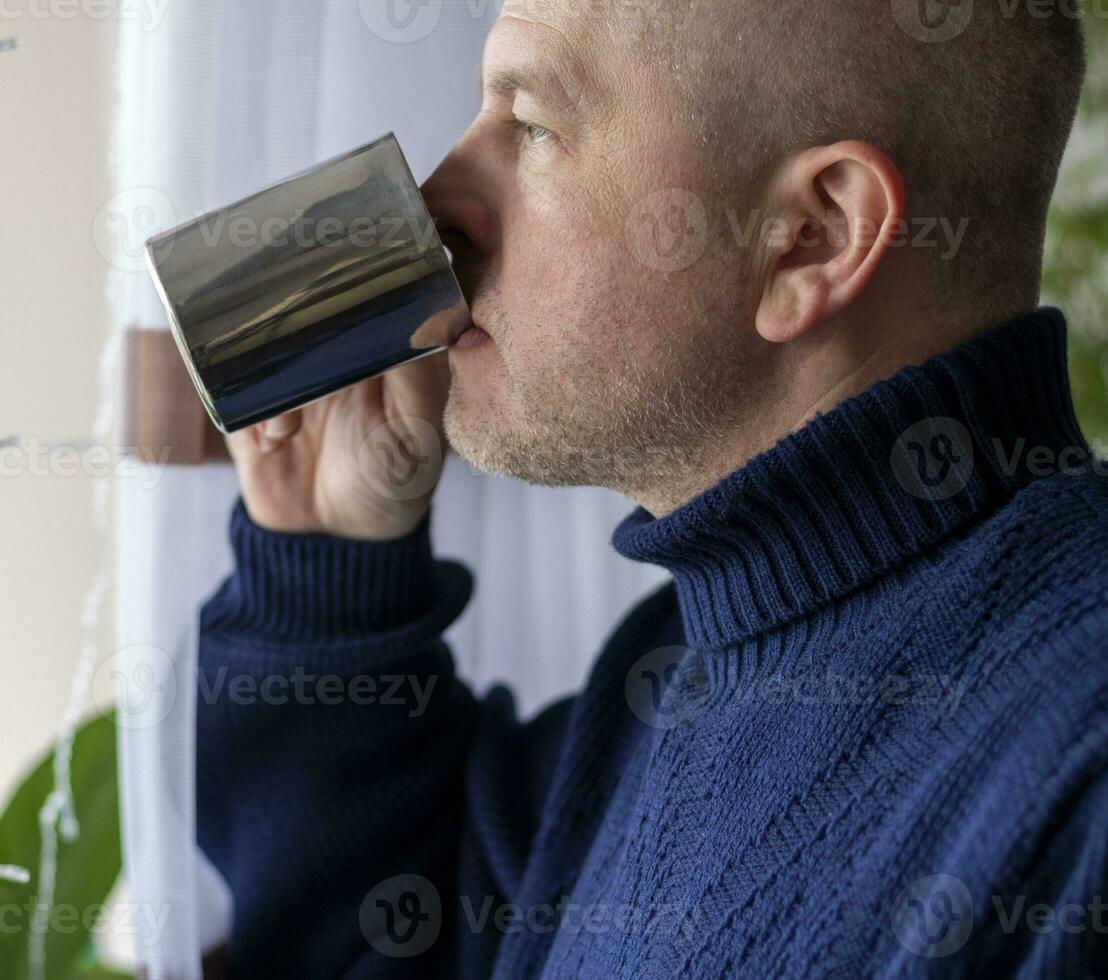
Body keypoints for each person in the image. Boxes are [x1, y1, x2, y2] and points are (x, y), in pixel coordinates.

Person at [196, 1, 1108, 976]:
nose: (433, 202)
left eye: (534, 126)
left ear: (812, 233)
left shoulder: (1075, 761)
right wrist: (327, 561)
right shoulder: (663, 680)